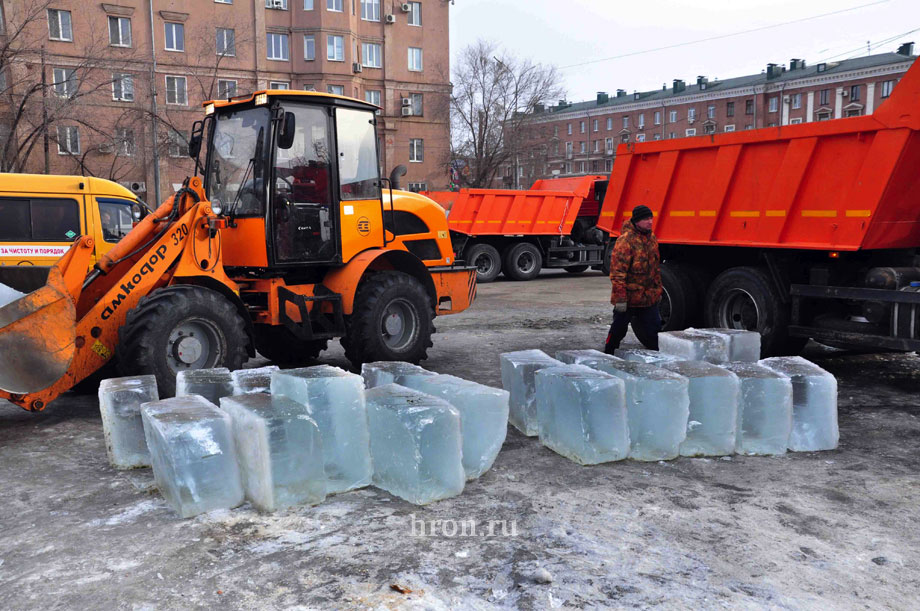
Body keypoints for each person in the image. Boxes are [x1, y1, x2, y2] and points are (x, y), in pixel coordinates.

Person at [604, 204, 662, 354]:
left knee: (654, 329)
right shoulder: (626, 241)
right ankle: (608, 352)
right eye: (646, 219)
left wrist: (657, 291)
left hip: (648, 297)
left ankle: (657, 357)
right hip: (629, 297)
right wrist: (621, 299)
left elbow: (655, 268)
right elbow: (617, 273)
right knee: (618, 329)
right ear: (636, 221)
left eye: (651, 218)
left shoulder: (652, 238)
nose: (650, 222)